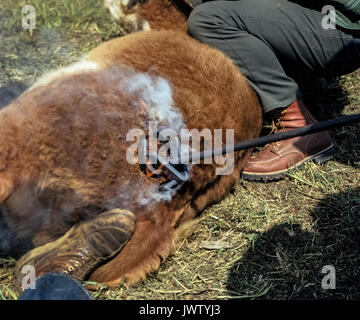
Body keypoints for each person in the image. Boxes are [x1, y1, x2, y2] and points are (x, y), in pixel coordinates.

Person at [186, 0, 360, 181]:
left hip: (342, 30)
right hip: (335, 19)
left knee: (208, 19)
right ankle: (307, 81)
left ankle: (298, 128)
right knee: (252, 9)